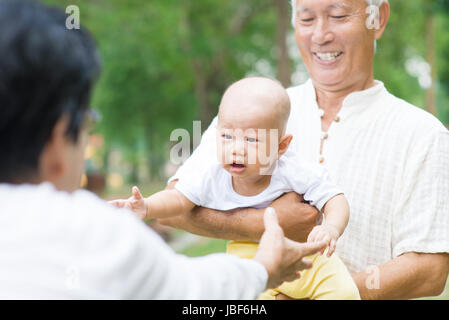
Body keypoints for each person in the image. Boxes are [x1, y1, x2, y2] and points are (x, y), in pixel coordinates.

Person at [0, 0, 328, 299]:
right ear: (59, 138)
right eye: (87, 121)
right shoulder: (94, 235)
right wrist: (265, 268)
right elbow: (191, 292)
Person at [160, 0, 449, 299]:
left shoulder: (423, 135)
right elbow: (172, 209)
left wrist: (325, 292)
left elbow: (429, 270)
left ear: (378, 18)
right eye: (307, 18)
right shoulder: (252, 107)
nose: (321, 35)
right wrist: (262, 223)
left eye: (337, 15)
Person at [111, 77, 359, 299]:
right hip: (249, 257)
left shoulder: (291, 169)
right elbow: (178, 199)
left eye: (251, 139)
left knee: (344, 293)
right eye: (227, 137)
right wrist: (147, 207)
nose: (236, 149)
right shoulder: (211, 174)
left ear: (281, 146)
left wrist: (331, 227)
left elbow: (335, 198)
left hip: (306, 256)